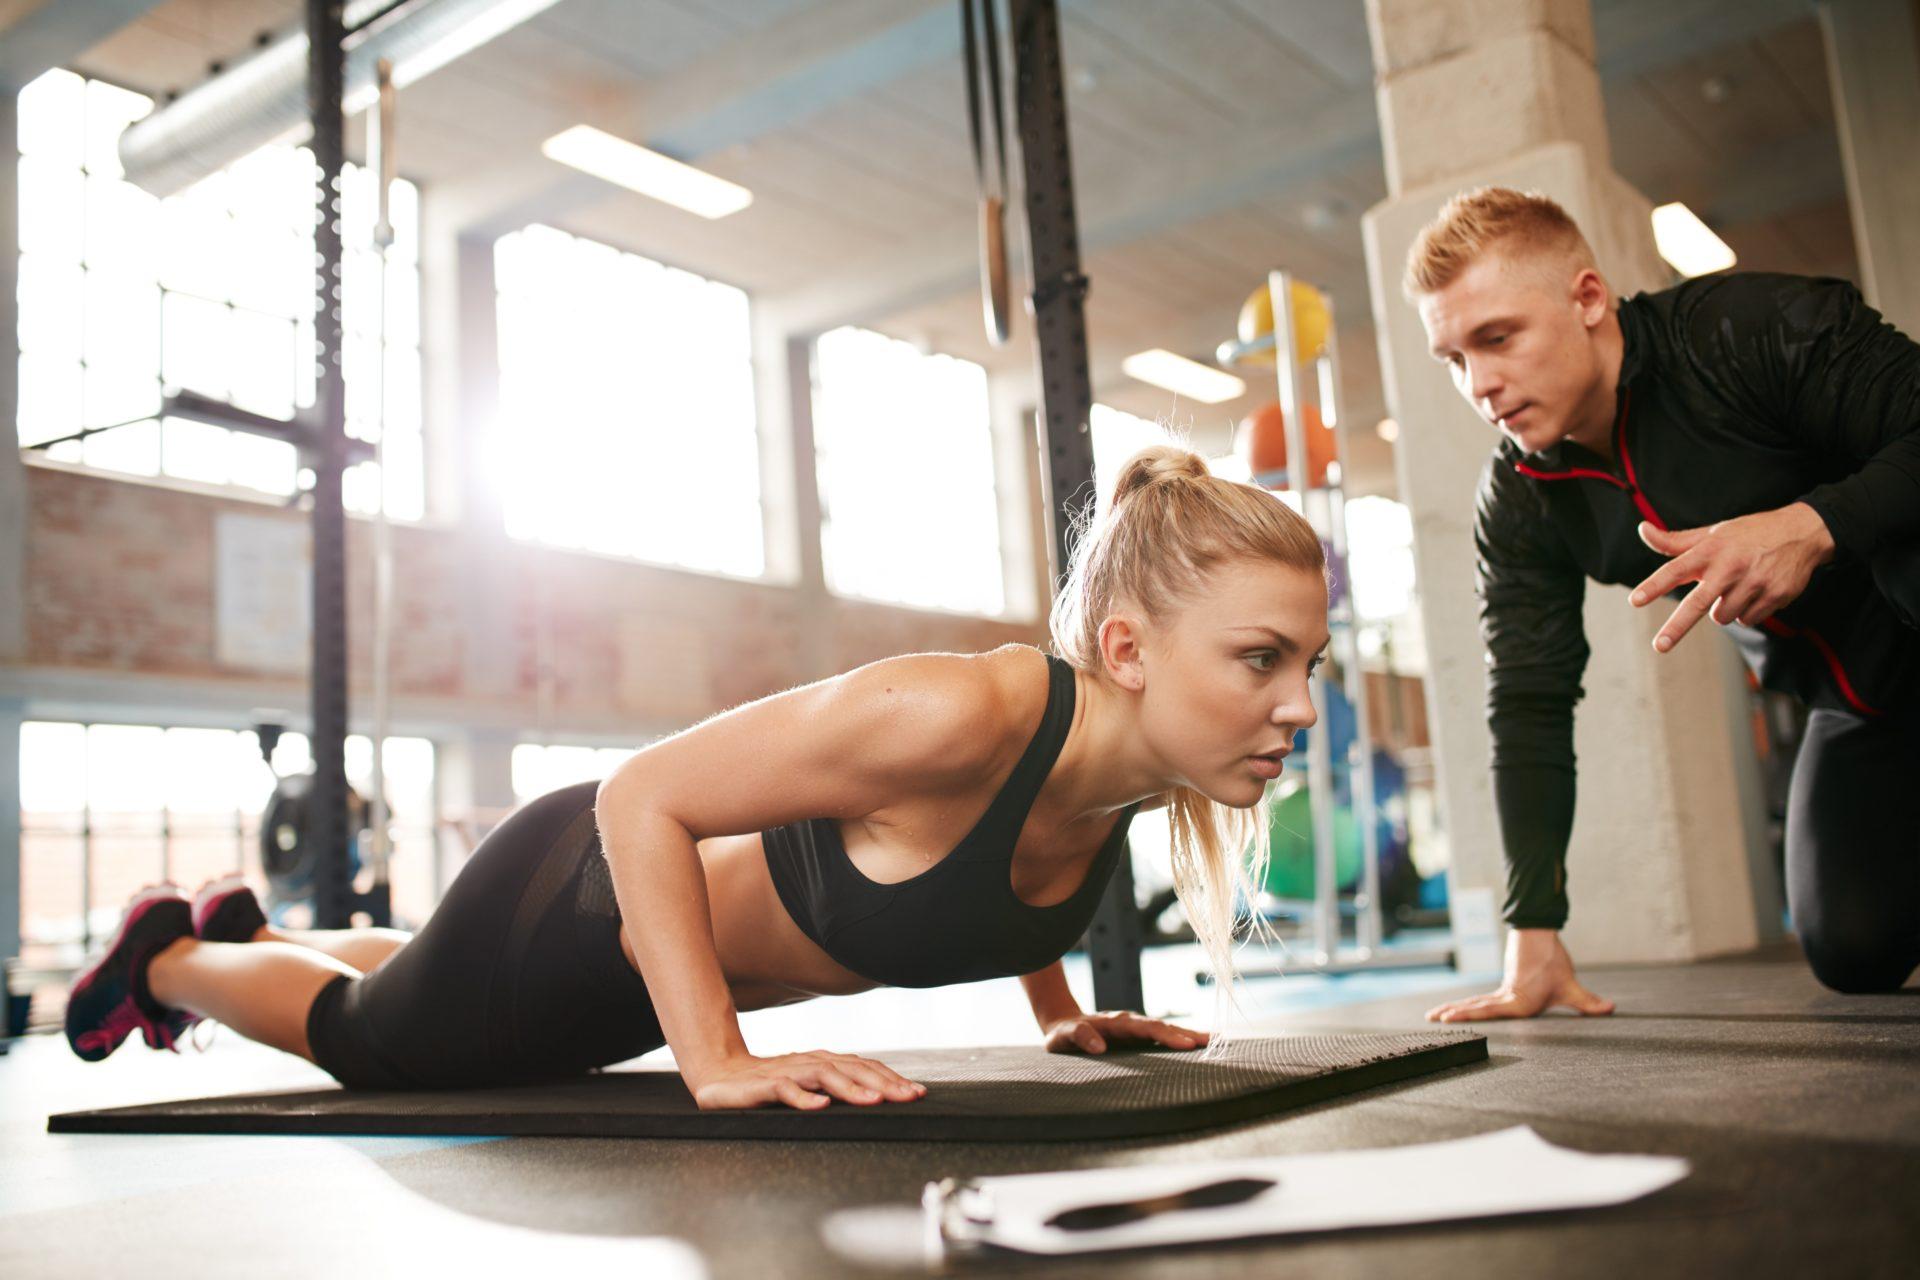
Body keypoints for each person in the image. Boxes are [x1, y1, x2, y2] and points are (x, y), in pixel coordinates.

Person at [64, 446, 1332, 1111]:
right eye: (1263, 658)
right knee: (374, 1041)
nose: (1303, 703)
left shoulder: (1131, 772)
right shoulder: (958, 708)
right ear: (1127, 648)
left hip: (645, 977)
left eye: (1311, 660)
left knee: (416, 972)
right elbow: (639, 797)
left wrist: (1056, 1011)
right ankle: (171, 952)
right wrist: (713, 1057)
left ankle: (263, 930)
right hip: (585, 909)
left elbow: (995, 865)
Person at [1403, 187, 1920, 1022]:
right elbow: (1529, 698)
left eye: (1498, 338)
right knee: (1853, 949)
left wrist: (1814, 523)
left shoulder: (1745, 331)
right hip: (1858, 704)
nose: (1480, 384)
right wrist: (1533, 926)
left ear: (1588, 298)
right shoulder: (1524, 496)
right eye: (1455, 358)